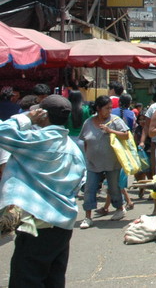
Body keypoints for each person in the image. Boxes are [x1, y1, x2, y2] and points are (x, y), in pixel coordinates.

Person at [0, 95, 86, 288]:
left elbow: (2, 131)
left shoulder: (37, 141)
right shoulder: (73, 149)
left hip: (37, 223)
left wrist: (27, 118)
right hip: (63, 224)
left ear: (43, 114)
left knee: (27, 278)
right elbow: (81, 181)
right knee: (53, 278)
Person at [78, 95, 129, 228]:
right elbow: (85, 141)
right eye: (107, 108)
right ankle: (88, 217)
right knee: (89, 188)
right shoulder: (88, 123)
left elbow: (126, 135)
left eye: (111, 108)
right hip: (93, 164)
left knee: (114, 188)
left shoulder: (116, 121)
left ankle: (119, 208)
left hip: (112, 163)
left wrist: (110, 131)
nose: (109, 111)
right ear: (98, 108)